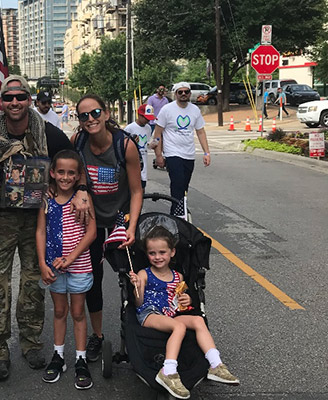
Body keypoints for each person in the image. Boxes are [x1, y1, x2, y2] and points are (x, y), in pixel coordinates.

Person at [0, 75, 89, 381]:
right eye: (8, 98)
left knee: (33, 285)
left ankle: (31, 342)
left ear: (29, 100)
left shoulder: (49, 135)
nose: (14, 103)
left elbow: (76, 166)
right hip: (1, 221)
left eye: (20, 97)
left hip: (38, 221)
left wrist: (80, 192)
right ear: (1, 102)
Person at [71, 94, 143, 362]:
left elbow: (137, 191)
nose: (90, 119)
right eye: (84, 116)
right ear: (79, 122)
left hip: (119, 217)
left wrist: (132, 227)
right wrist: (80, 189)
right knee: (93, 279)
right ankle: (97, 336)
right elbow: (73, 171)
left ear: (106, 114)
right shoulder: (78, 142)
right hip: (90, 219)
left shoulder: (125, 146)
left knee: (130, 276)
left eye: (95, 112)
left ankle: (138, 331)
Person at [129, 226, 239, 399]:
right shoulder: (144, 274)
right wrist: (138, 286)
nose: (157, 257)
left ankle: (216, 364)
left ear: (172, 252)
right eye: (152, 253)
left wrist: (186, 300)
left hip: (171, 312)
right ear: (147, 254)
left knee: (198, 321)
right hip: (150, 313)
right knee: (179, 327)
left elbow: (180, 302)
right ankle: (169, 371)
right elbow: (138, 302)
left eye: (162, 252)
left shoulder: (178, 277)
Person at [36, 149, 97, 390]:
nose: (65, 177)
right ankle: (58, 356)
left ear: (78, 176)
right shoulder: (46, 200)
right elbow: (40, 231)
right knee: (59, 311)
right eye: (60, 172)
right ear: (52, 173)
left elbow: (91, 232)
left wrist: (71, 258)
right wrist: (42, 263)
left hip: (79, 266)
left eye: (71, 173)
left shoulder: (83, 200)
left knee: (78, 312)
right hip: (53, 266)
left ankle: (81, 358)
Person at [153, 82, 211, 217]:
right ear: (175, 94)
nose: (183, 94)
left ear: (190, 94)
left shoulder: (195, 110)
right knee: (177, 183)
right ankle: (177, 213)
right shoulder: (167, 110)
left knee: (184, 185)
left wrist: (206, 152)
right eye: (180, 92)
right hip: (172, 153)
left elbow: (200, 132)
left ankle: (181, 208)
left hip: (189, 154)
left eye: (186, 92)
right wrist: (159, 155)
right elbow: (157, 134)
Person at [124, 103, 156, 190]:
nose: (148, 121)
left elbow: (145, 144)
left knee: (142, 189)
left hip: (143, 165)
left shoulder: (148, 128)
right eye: (146, 118)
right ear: (139, 115)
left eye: (149, 119)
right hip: (133, 164)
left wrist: (151, 145)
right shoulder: (129, 128)